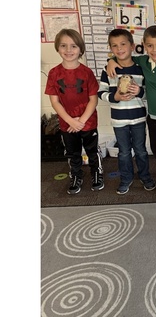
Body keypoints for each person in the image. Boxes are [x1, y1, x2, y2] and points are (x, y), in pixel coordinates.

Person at [107, 26, 156, 197]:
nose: (155, 50)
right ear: (143, 45)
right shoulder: (143, 62)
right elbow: (122, 55)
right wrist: (111, 61)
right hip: (152, 118)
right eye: (150, 46)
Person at [45, 28, 102, 194]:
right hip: (67, 123)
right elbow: (54, 101)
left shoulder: (86, 73)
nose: (68, 50)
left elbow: (93, 99)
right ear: (57, 48)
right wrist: (71, 121)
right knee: (72, 153)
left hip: (88, 121)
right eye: (64, 46)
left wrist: (81, 121)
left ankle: (96, 173)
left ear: (80, 49)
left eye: (73, 46)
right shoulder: (54, 73)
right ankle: (76, 175)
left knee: (92, 151)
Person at [99, 29, 155, 194]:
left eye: (123, 44)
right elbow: (100, 93)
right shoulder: (108, 70)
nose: (119, 48)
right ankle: (126, 178)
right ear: (111, 48)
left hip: (138, 118)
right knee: (123, 152)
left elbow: (147, 94)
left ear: (132, 46)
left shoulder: (140, 68)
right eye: (114, 46)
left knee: (140, 150)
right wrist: (114, 96)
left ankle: (145, 176)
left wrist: (139, 92)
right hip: (119, 119)